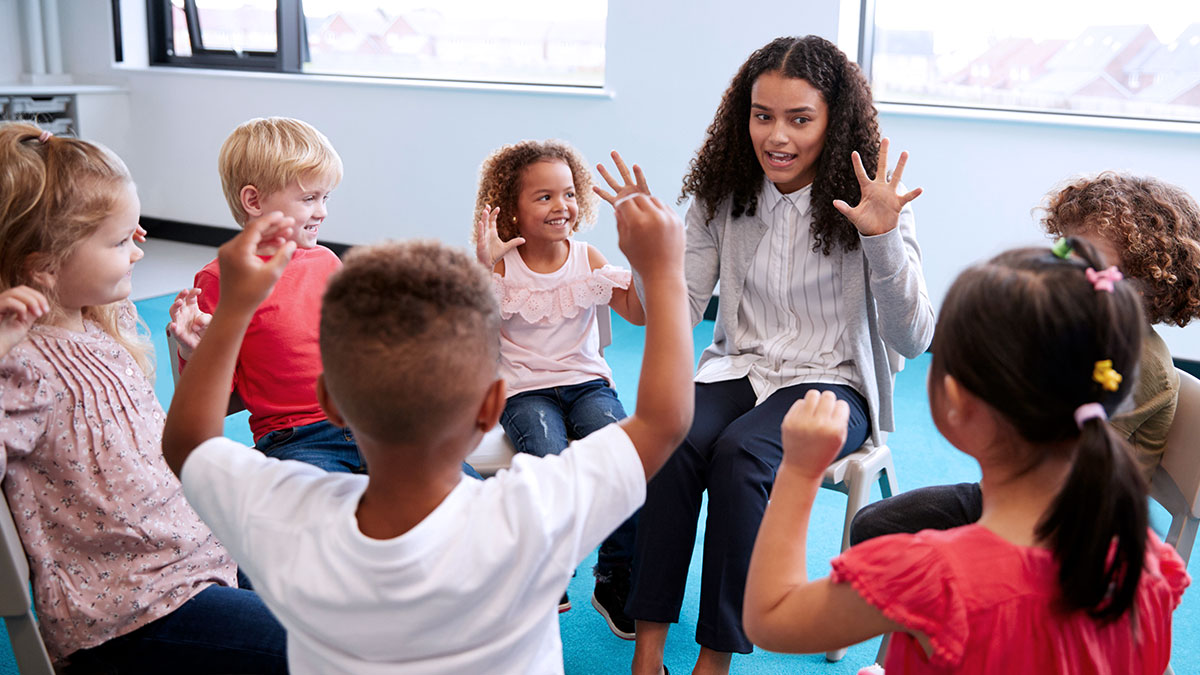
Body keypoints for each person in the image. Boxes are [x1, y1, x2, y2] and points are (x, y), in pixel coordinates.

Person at [159, 154, 695, 674]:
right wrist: (664, 271)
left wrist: (231, 312)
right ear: (491, 406)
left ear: (330, 400)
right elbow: (664, 422)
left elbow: (188, 446)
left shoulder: (282, 514)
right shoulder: (533, 512)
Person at [625, 35, 934, 675]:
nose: (777, 137)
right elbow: (679, 315)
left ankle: (716, 657)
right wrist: (651, 260)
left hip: (833, 382)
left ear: (834, 122)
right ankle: (647, 656)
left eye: (799, 119)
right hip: (741, 363)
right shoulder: (722, 192)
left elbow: (913, 338)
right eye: (763, 116)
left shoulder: (875, 202)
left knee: (742, 456)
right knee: (672, 439)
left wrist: (881, 239)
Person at [743, 238, 1190, 674]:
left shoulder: (930, 577)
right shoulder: (1146, 565)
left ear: (956, 400)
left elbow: (771, 617)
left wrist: (800, 470)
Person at [0, 122, 286, 673]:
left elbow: (159, 445)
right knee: (334, 645)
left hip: (195, 560)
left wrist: (192, 358)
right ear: (44, 264)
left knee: (346, 597)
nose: (138, 250)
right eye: (119, 240)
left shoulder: (101, 325)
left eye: (138, 231)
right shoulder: (22, 366)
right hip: (131, 613)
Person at [849, 172, 1200, 545]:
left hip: (1070, 527)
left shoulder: (1140, 364)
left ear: (1149, 284)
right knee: (873, 524)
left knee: (915, 553)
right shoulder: (1075, 323)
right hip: (1013, 495)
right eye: (1065, 254)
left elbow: (1067, 467)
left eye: (1090, 269)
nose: (1066, 275)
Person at [471, 139, 644, 633]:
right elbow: (470, 333)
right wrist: (484, 269)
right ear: (512, 209)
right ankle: (547, 568)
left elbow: (639, 313)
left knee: (620, 456)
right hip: (524, 391)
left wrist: (641, 254)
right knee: (545, 455)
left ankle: (614, 574)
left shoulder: (586, 257)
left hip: (587, 384)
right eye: (543, 197)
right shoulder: (502, 265)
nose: (561, 206)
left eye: (567, 194)